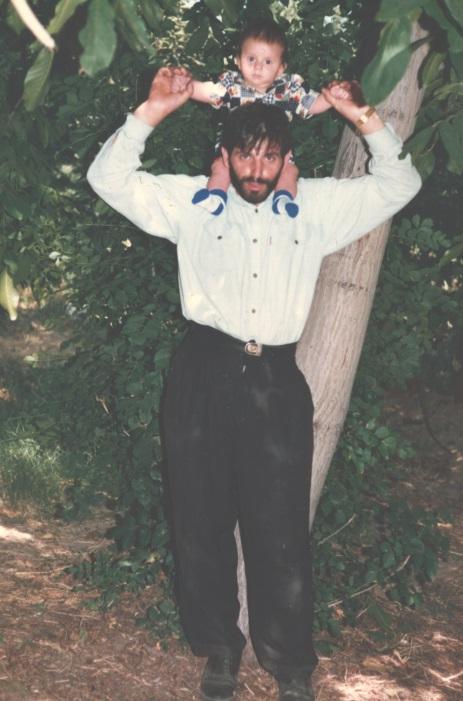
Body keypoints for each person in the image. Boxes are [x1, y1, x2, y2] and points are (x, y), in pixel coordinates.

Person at [87, 66, 421, 701]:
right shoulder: (193, 202)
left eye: (270, 156)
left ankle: (290, 662)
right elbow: (107, 178)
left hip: (275, 379)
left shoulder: (315, 207)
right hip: (201, 373)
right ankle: (219, 650)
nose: (257, 169)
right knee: (199, 519)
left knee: (280, 527)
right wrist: (154, 109)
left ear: (287, 158)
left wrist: (360, 116)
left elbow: (401, 182)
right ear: (226, 154)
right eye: (246, 155)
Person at [190, 18, 333, 218]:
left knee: (289, 171)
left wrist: (331, 98)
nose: (258, 67)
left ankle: (283, 198)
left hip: (275, 151)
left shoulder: (288, 90)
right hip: (235, 148)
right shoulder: (231, 86)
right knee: (220, 167)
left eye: (267, 62)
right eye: (251, 59)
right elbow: (206, 91)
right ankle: (216, 197)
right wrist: (187, 86)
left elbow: (313, 105)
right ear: (238, 60)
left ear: (280, 68)